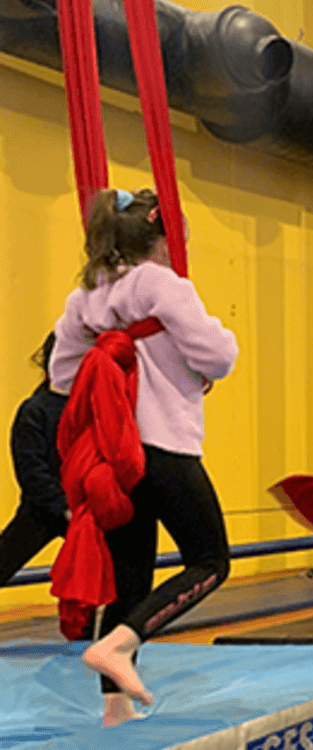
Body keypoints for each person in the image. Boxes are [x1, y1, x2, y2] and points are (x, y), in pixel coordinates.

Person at [50, 187, 238, 727]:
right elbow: (219, 356)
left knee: (131, 577)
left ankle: (115, 705)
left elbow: (64, 375)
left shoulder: (85, 295)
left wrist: (115, 357)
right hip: (164, 448)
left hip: (116, 459)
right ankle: (120, 645)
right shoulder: (160, 283)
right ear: (160, 239)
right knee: (210, 561)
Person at [0, 334, 70, 586]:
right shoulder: (35, 410)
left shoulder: (92, 405)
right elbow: (31, 469)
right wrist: (63, 506)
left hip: (83, 510)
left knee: (94, 581)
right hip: (41, 509)